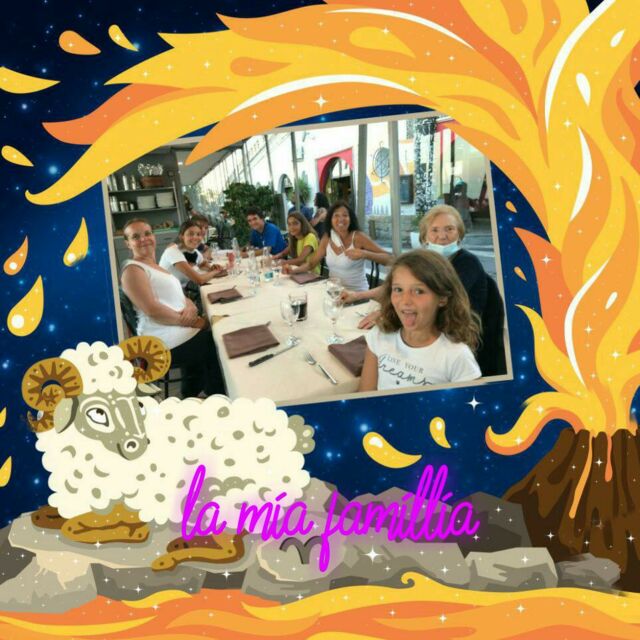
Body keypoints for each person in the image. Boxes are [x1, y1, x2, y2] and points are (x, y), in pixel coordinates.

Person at [346, 204, 506, 376]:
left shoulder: (467, 262)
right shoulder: (428, 261)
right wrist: (358, 295)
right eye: (435, 230)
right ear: (424, 237)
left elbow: (432, 301)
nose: (442, 236)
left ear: (459, 233)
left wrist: (387, 312)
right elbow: (398, 285)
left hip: (461, 344)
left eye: (449, 229)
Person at [120, 219, 224, 398]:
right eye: (136, 237)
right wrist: (193, 322)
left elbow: (178, 293)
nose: (144, 239)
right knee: (216, 342)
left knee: (216, 329)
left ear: (153, 237)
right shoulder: (133, 270)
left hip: (174, 329)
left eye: (147, 233)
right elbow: (153, 310)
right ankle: (217, 398)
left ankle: (193, 392)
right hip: (160, 341)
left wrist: (190, 305)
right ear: (127, 244)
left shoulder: (153, 266)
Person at [359, 251, 481, 391]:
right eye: (398, 289)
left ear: (442, 298)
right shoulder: (379, 335)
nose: (405, 301)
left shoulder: (456, 356)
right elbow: (366, 392)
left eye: (418, 291)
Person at [284, 200, 391, 291]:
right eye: (336, 215)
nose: (341, 219)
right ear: (330, 220)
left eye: (345, 215)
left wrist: (365, 254)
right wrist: (293, 271)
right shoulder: (327, 238)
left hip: (357, 294)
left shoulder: (358, 237)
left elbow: (390, 259)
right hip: (334, 292)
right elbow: (311, 264)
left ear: (350, 219)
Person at [159, 220, 225, 288]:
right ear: (182, 236)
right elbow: (199, 280)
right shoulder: (173, 251)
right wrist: (216, 271)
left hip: (184, 289)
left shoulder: (194, 251)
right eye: (191, 234)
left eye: (198, 234)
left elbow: (202, 264)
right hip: (171, 292)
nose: (195, 237)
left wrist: (211, 267)